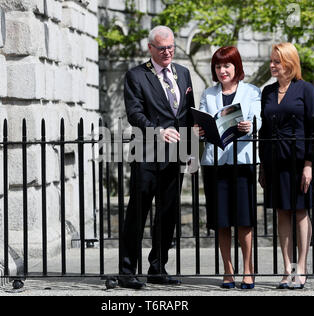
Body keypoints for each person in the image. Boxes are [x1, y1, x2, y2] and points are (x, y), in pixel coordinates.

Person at [119, 26, 195, 289]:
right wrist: (158, 131)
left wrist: (193, 138)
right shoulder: (136, 76)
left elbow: (187, 113)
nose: (167, 52)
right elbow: (134, 113)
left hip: (175, 155)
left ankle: (157, 268)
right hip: (147, 154)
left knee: (168, 213)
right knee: (137, 214)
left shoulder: (183, 73)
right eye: (162, 48)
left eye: (171, 47)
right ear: (150, 48)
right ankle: (127, 270)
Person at [194, 46, 261, 290]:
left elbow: (258, 122)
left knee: (244, 219)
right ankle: (227, 270)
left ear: (236, 68)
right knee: (222, 220)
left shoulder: (252, 92)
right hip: (216, 163)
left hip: (241, 162)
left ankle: (248, 269)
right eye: (218, 66)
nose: (222, 70)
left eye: (227, 66)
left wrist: (249, 126)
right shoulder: (209, 94)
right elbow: (201, 121)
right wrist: (198, 130)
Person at [258, 43, 314, 290]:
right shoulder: (268, 92)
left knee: (301, 211)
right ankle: (287, 268)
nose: (272, 65)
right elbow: (263, 131)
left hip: (297, 161)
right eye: (271, 61)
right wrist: (262, 165)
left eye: (277, 61)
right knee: (282, 212)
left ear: (290, 63)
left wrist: (309, 164)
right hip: (274, 161)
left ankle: (302, 268)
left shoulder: (306, 90)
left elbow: (313, 128)